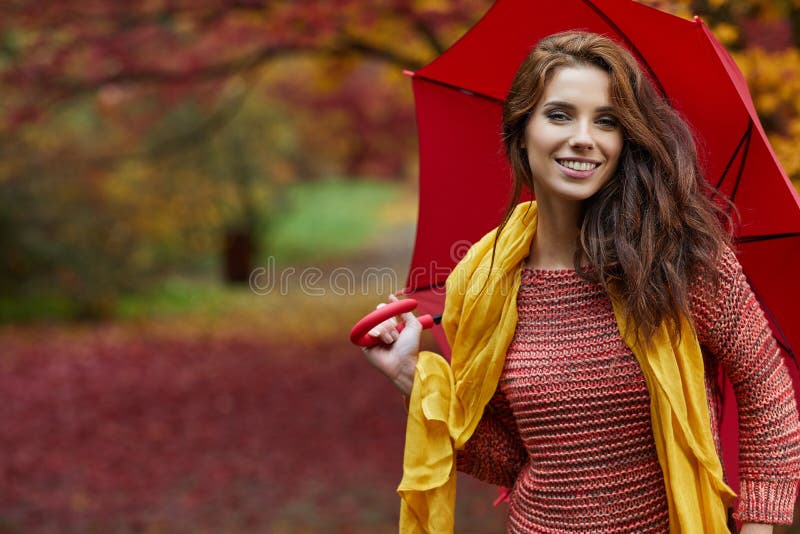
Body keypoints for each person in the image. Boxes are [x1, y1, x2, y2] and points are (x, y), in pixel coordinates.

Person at [362, 31, 800, 533]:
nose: (584, 137)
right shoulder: (485, 283)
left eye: (606, 121)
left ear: (624, 139)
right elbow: (508, 460)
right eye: (560, 114)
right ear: (521, 131)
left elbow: (766, 386)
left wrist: (760, 524)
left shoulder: (678, 258)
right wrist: (410, 375)